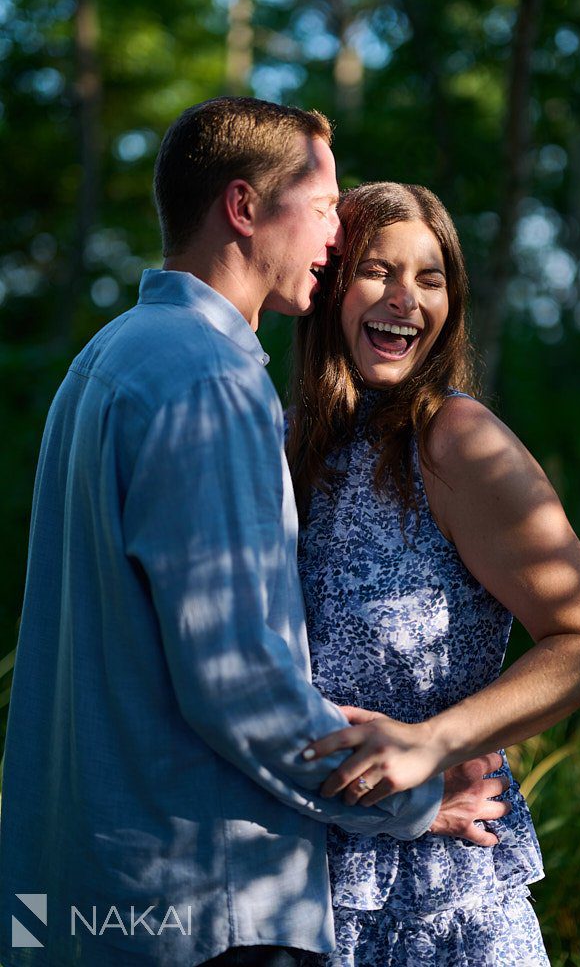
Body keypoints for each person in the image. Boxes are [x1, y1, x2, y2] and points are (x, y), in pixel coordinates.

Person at [0, 101, 510, 967]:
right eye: (322, 210)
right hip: (202, 907)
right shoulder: (211, 381)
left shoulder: (106, 362)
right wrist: (416, 802)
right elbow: (235, 681)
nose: (332, 241)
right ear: (243, 209)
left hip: (73, 901)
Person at [286, 182, 580, 966]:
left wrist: (429, 745)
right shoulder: (285, 443)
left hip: (440, 902)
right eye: (377, 270)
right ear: (329, 280)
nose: (404, 299)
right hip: (299, 874)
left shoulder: (453, 438)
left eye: (430, 278)